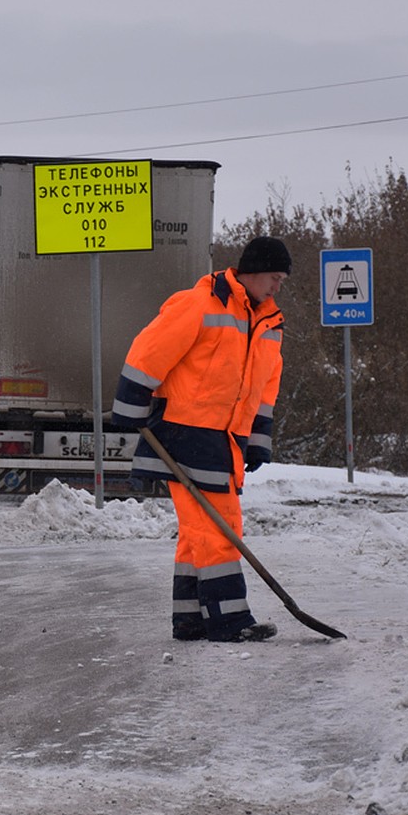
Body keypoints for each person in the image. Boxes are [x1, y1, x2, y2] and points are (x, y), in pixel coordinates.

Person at [111, 236, 290, 643]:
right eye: (275, 278)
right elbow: (150, 349)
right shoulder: (202, 303)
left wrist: (259, 437)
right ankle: (230, 620)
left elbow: (266, 387)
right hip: (184, 431)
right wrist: (131, 404)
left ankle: (190, 619)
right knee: (219, 524)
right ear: (254, 271)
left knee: (199, 530)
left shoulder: (269, 323)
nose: (278, 287)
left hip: (226, 439)